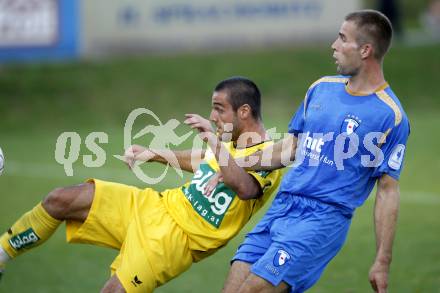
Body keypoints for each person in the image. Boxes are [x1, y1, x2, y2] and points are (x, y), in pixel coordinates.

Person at [0, 77, 281, 292]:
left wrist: (213, 140)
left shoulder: (270, 155)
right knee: (62, 199)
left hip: (175, 240)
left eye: (219, 109)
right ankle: (2, 254)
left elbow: (243, 187)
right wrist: (153, 154)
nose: (212, 116)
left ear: (244, 111)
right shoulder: (230, 142)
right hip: (156, 206)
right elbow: (204, 161)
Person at [221, 10, 410, 293]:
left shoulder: (390, 116)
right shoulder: (321, 89)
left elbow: (387, 190)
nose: (334, 45)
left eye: (342, 38)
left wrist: (382, 260)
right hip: (282, 208)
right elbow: (291, 148)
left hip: (321, 220)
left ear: (365, 49)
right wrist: (234, 163)